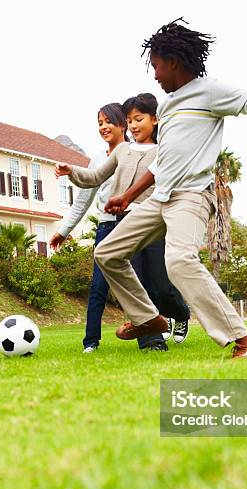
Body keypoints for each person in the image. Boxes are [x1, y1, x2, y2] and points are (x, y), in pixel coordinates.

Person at [92, 19, 247, 359]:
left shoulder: (211, 92)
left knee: (180, 260)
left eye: (156, 66)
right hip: (160, 198)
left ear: (172, 60)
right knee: (107, 253)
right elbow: (164, 162)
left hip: (191, 196)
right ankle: (148, 319)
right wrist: (127, 196)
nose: (154, 75)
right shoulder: (168, 106)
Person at [56, 93, 190, 351]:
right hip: (124, 223)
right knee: (135, 281)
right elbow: (95, 176)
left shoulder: (164, 152)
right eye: (129, 121)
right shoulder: (122, 151)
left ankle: (180, 313)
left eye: (139, 119)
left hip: (154, 222)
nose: (134, 126)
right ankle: (152, 340)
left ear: (155, 119)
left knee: (161, 284)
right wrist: (71, 171)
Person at [49, 103, 127, 353]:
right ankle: (91, 342)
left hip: (133, 224)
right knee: (98, 287)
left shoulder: (135, 154)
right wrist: (63, 230)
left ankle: (152, 339)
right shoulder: (97, 161)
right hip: (106, 228)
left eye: (109, 122)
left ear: (123, 124)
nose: (104, 127)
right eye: (100, 122)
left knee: (141, 284)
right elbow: (82, 201)